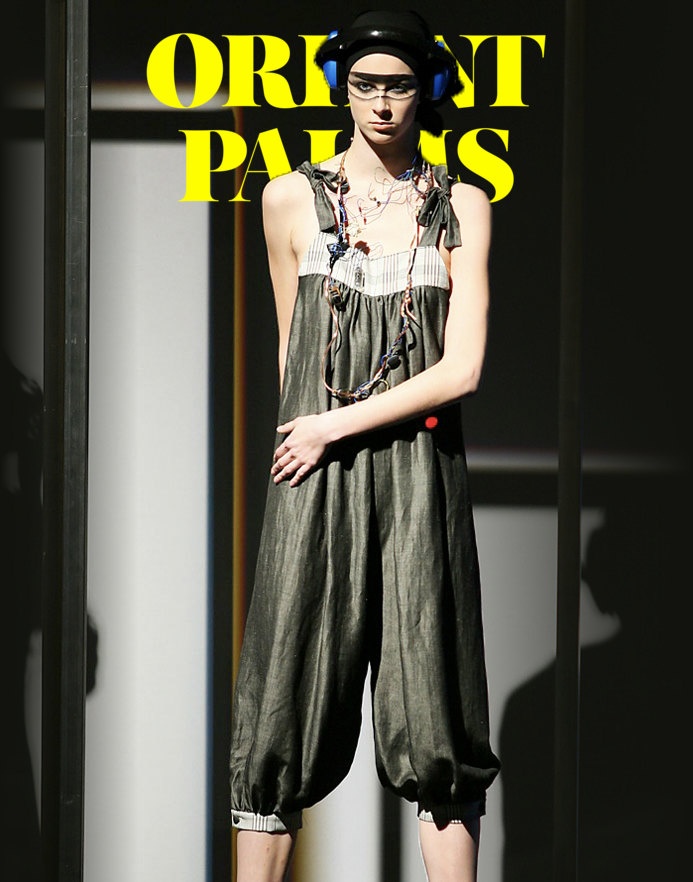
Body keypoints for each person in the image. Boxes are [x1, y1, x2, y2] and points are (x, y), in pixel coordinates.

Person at [229, 11, 500, 881]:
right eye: (366, 84)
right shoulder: (287, 198)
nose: (381, 102)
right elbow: (294, 353)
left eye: (399, 84)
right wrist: (309, 436)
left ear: (427, 89)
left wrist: (332, 425)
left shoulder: (459, 204)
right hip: (314, 479)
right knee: (280, 703)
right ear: (341, 87)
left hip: (419, 473)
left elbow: (461, 369)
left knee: (436, 708)